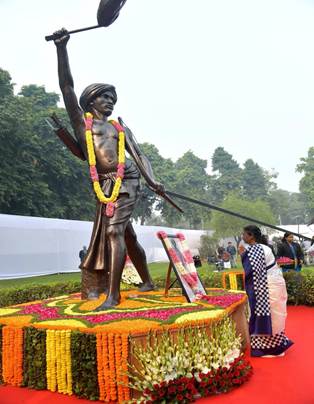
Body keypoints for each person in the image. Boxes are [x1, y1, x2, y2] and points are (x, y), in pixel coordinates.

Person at [53, 29, 165, 308]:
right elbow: (66, 87)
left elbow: (140, 155)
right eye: (106, 97)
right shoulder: (83, 124)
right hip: (104, 184)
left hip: (127, 180)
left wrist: (152, 180)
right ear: (91, 101)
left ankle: (113, 296)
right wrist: (61, 48)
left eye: (113, 98)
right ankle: (148, 281)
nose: (111, 101)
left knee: (114, 233)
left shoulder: (119, 127)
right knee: (126, 233)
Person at [240, 225, 293, 357]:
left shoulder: (255, 249)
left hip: (267, 287)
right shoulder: (264, 247)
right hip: (274, 284)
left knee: (271, 317)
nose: (242, 236)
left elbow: (254, 273)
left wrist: (243, 255)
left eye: (244, 234)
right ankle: (276, 345)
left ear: (251, 235)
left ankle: (269, 349)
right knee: (276, 316)